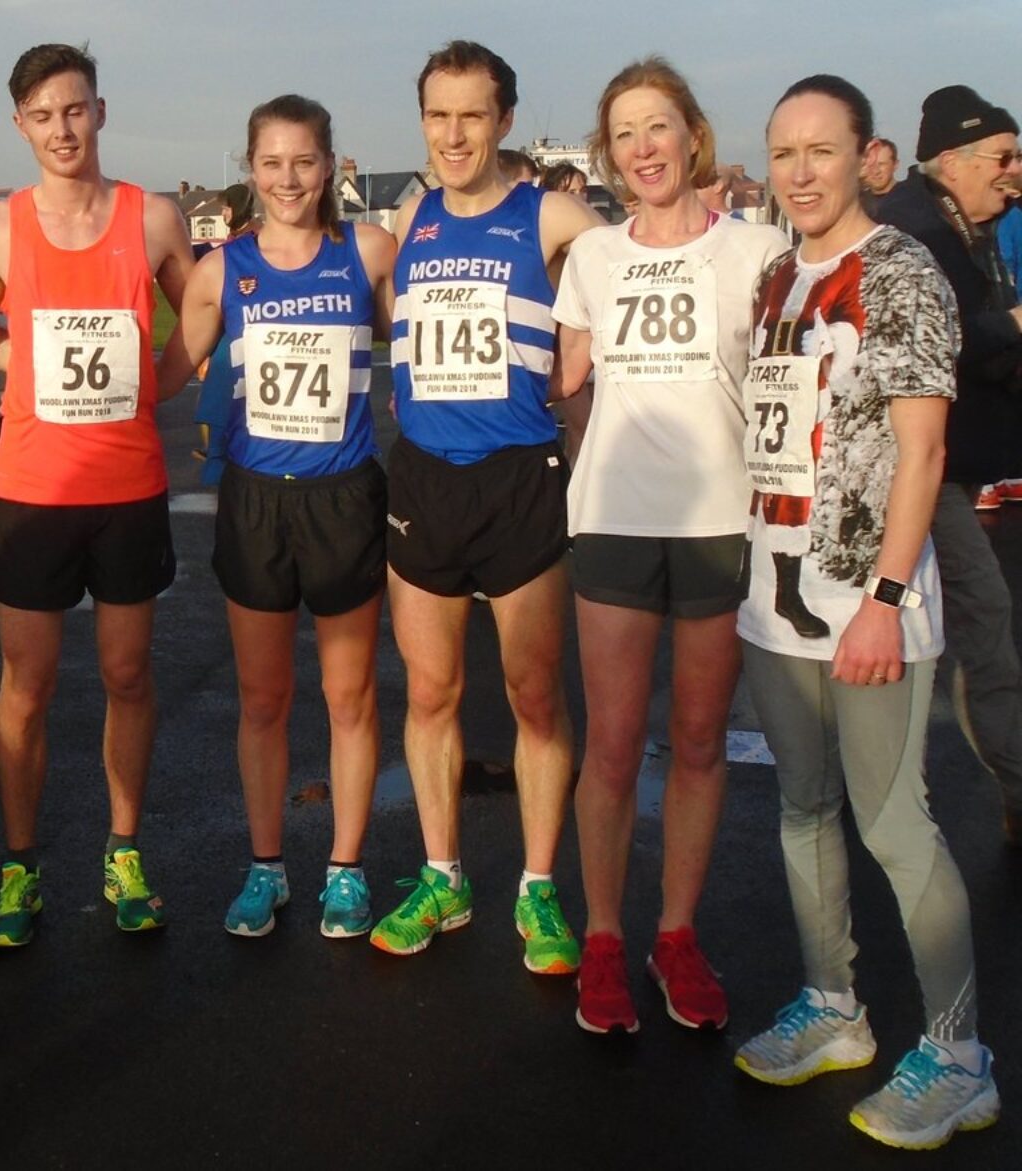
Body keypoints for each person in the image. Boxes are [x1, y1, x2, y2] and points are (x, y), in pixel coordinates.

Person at [732, 75, 1000, 1151]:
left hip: (865, 604)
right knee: (802, 807)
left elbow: (923, 448)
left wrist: (886, 598)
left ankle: (959, 1054)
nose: (800, 171)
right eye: (784, 152)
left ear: (864, 157)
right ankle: (833, 1006)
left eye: (821, 151)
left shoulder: (898, 271)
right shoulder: (773, 275)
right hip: (774, 597)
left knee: (894, 825)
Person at [0, 44, 194, 943]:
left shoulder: (151, 217)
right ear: (20, 126)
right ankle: (19, 864)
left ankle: (123, 850)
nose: (62, 129)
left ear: (100, 112)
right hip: (34, 491)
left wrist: (155, 383)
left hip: (129, 487)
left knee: (126, 674)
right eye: (43, 116)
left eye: (74, 110)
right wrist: (27, 367)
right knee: (26, 687)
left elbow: (198, 319)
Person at [552, 58, 789, 1034]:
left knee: (695, 740)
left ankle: (676, 934)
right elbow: (560, 379)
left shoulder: (759, 250)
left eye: (658, 128)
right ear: (606, 156)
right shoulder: (593, 259)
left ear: (691, 135)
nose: (642, 148)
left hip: (717, 523)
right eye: (623, 134)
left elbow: (793, 386)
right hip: (610, 516)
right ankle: (604, 937)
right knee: (610, 743)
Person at [374, 41, 602, 962]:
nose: (454, 133)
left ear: (505, 119)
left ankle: (540, 887)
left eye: (473, 115)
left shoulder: (549, 214)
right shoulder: (412, 210)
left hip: (519, 477)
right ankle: (444, 876)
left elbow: (619, 288)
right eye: (438, 115)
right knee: (431, 691)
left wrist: (571, 376)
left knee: (533, 693)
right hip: (425, 477)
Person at [158, 95, 395, 938]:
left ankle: (344, 869)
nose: (288, 179)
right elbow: (168, 371)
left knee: (348, 695)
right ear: (249, 168)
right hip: (256, 502)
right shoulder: (222, 270)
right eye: (271, 162)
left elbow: (427, 350)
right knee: (262, 698)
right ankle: (265, 868)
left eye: (304, 161)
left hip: (344, 497)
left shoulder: (367, 250)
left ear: (331, 165)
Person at [876, 86, 1022, 841]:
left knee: (931, 627)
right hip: (920, 467)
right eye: (1004, 156)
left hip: (948, 463)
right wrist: (1013, 325)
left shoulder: (961, 224)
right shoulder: (920, 228)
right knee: (978, 617)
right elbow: (946, 338)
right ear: (957, 161)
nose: (1014, 170)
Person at [193, 181, 256, 482]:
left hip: (243, 332)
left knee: (219, 391)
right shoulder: (239, 239)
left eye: (225, 208)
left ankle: (218, 457)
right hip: (234, 331)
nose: (223, 213)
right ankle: (217, 452)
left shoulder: (246, 242)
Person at [860, 136, 899, 218]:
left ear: (895, 165)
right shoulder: (858, 203)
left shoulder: (910, 198)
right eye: (870, 166)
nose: (876, 171)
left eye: (881, 164)